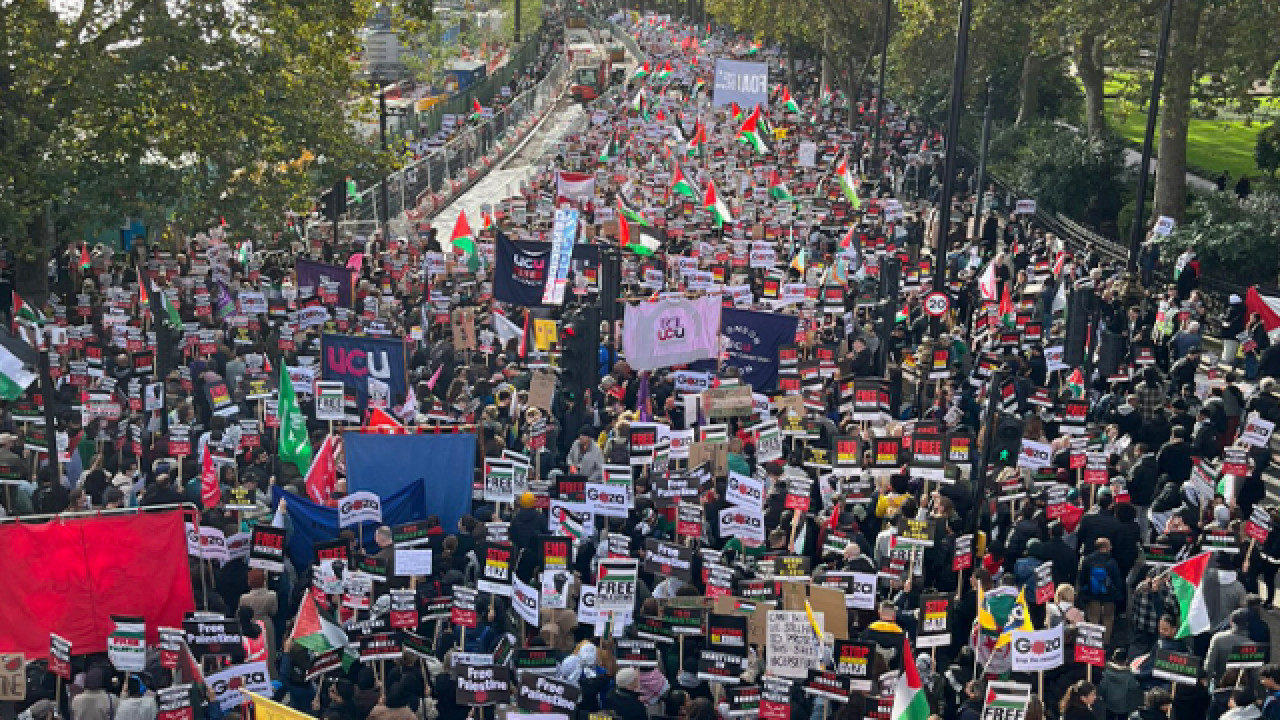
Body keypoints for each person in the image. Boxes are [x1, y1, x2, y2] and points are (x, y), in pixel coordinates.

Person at [1078, 538, 1125, 644]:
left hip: (1092, 595)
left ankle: (1093, 643)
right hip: (1109, 595)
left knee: (1093, 618)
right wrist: (1118, 595)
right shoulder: (1112, 562)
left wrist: (1084, 592)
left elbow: (1082, 578)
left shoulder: (1088, 560)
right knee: (1108, 618)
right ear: (1105, 547)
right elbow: (1117, 580)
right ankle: (1105, 642)